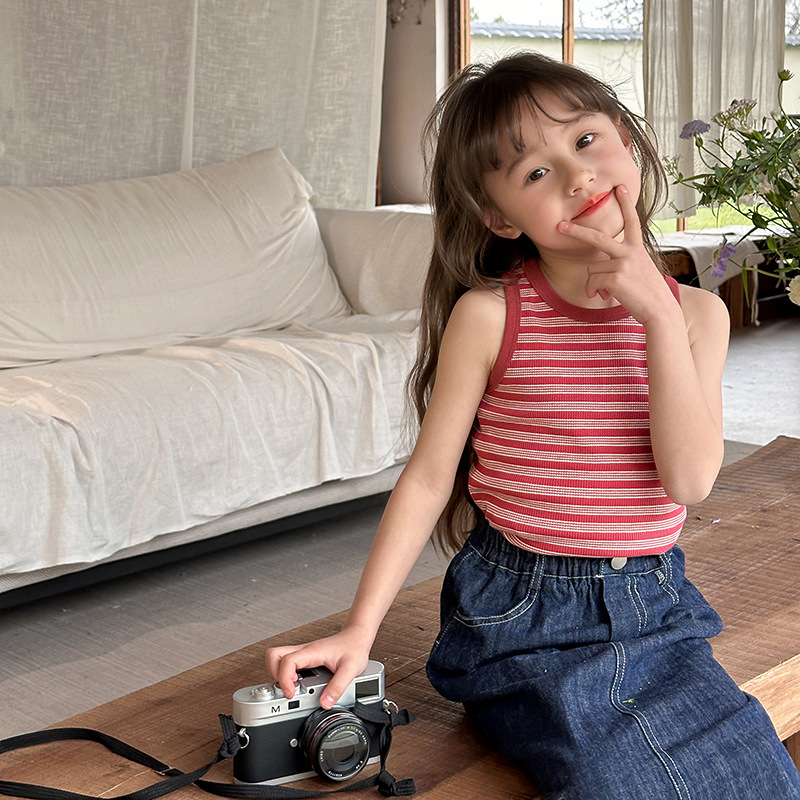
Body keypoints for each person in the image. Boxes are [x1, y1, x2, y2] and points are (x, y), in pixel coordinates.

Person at [267, 52, 800, 799]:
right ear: (500, 217)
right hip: (522, 616)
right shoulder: (491, 315)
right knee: (624, 784)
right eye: (536, 172)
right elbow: (427, 480)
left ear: (625, 140)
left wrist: (656, 315)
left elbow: (688, 481)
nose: (577, 176)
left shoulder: (697, 316)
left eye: (585, 141)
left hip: (655, 606)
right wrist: (360, 631)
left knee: (762, 777)